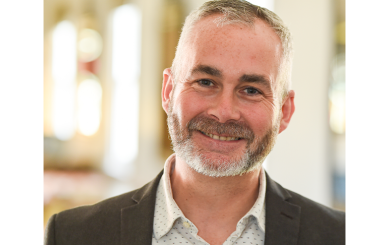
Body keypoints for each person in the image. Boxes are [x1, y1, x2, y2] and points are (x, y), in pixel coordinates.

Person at [44, 1, 346, 244]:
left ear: (285, 111)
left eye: (251, 90)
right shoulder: (74, 234)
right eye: (205, 81)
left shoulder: (335, 236)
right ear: (168, 91)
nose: (224, 111)